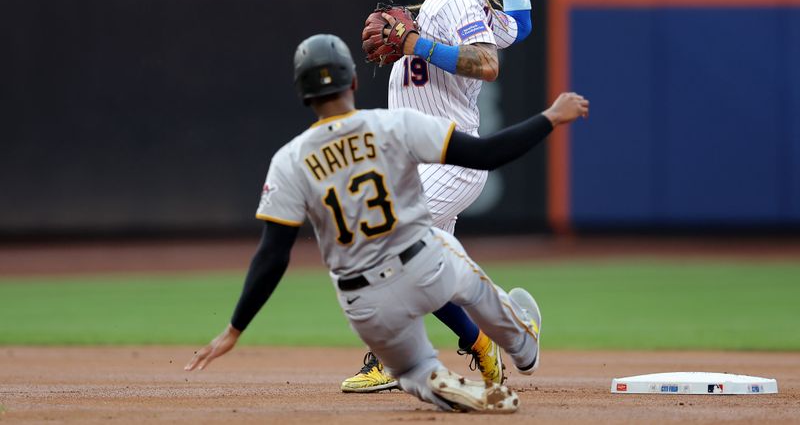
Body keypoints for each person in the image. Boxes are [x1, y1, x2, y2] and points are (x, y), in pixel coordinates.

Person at [185, 33, 589, 413]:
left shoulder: (289, 161)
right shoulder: (395, 125)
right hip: (425, 266)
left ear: (303, 93)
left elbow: (272, 255)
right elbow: (487, 155)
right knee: (471, 281)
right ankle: (522, 345)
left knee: (410, 370)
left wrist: (234, 329)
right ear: (354, 81)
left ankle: (429, 379)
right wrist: (551, 117)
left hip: (364, 304)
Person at [343, 0, 533, 392]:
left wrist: (414, 42)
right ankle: (487, 345)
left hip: (448, 158)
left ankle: (388, 359)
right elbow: (521, 28)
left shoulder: (454, 2)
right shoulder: (462, 2)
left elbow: (488, 64)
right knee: (433, 277)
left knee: (392, 243)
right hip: (421, 160)